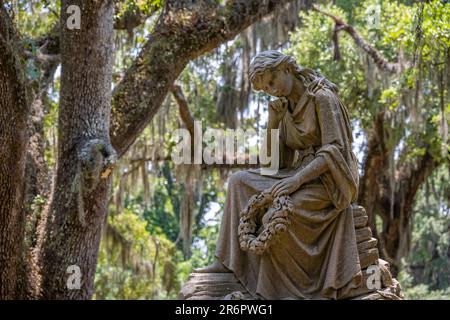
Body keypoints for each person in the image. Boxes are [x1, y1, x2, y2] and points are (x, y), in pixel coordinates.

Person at [195, 50, 362, 299]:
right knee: (238, 181)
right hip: (295, 174)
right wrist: (274, 122)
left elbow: (335, 151)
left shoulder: (322, 97)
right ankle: (227, 261)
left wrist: (295, 181)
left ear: (286, 68)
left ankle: (277, 290)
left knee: (280, 213)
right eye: (265, 89)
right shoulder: (284, 107)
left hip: (327, 182)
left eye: (272, 82)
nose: (271, 90)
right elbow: (273, 165)